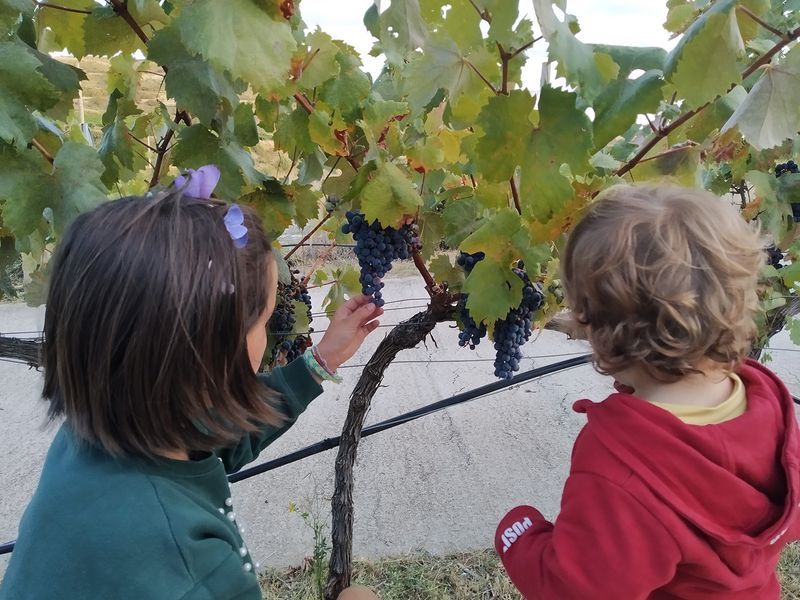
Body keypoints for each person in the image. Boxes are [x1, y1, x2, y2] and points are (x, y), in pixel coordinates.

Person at [0, 167, 379, 600]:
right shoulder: (192, 571)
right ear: (213, 355)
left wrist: (319, 361)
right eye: (264, 322)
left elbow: (215, 437)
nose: (270, 335)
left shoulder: (93, 437)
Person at [494, 185, 799, 598]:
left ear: (594, 328)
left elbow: (577, 590)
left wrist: (520, 534)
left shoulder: (623, 463)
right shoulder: (765, 403)